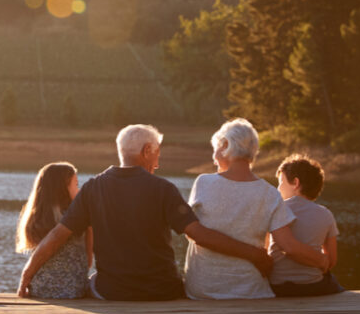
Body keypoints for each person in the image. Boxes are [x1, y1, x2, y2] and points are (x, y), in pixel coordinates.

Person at [18, 124, 272, 301]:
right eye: (157, 154)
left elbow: (56, 237)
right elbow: (199, 235)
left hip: (111, 292)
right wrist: (254, 254)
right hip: (163, 291)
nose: (158, 163)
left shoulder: (93, 188)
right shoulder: (163, 188)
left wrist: (26, 275)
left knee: (93, 280)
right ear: (146, 151)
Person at [183, 118, 328, 300]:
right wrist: (322, 260)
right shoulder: (270, 193)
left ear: (226, 145)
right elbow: (289, 246)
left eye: (216, 149)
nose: (213, 158)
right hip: (250, 292)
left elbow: (192, 233)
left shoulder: (204, 182)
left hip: (203, 290)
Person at [268, 154, 345, 297]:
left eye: (280, 182)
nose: (278, 188)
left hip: (277, 287)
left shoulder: (275, 210)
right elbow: (332, 260)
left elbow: (266, 252)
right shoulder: (326, 214)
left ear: (296, 183)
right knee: (333, 281)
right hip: (313, 286)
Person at [16, 162, 92, 299]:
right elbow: (88, 261)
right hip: (73, 291)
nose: (79, 190)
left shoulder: (36, 218)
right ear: (62, 188)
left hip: (41, 288)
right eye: (76, 185)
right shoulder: (78, 218)